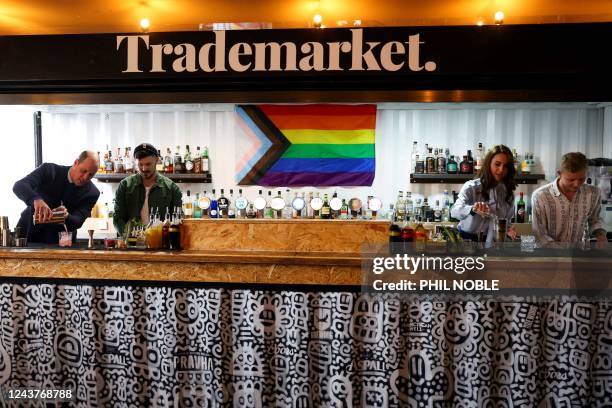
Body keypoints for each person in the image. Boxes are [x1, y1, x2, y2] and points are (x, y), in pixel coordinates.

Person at [13, 151, 100, 244]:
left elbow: (79, 220)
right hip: (28, 234)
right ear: (76, 163)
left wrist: (67, 216)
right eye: (84, 171)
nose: (85, 177)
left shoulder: (92, 192)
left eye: (91, 175)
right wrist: (36, 199)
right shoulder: (49, 170)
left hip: (61, 242)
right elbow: (19, 185)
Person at [531, 152, 607, 246]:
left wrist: (601, 236)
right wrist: (563, 255)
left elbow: (595, 220)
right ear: (559, 174)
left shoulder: (593, 193)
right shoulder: (540, 196)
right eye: (570, 180)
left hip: (578, 254)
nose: (576, 184)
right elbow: (539, 235)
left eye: (581, 179)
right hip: (548, 255)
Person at [450, 144, 518, 244]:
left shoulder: (508, 194)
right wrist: (472, 209)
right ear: (488, 164)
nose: (501, 170)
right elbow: (454, 212)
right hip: (466, 243)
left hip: (492, 245)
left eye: (505, 166)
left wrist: (508, 230)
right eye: (497, 164)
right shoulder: (471, 187)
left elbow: (505, 221)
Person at [113, 143, 182, 237]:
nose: (144, 168)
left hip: (161, 246)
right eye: (140, 164)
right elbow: (118, 218)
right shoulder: (125, 186)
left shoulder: (172, 188)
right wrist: (129, 236)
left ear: (157, 161)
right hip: (131, 245)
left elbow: (178, 219)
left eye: (148, 164)